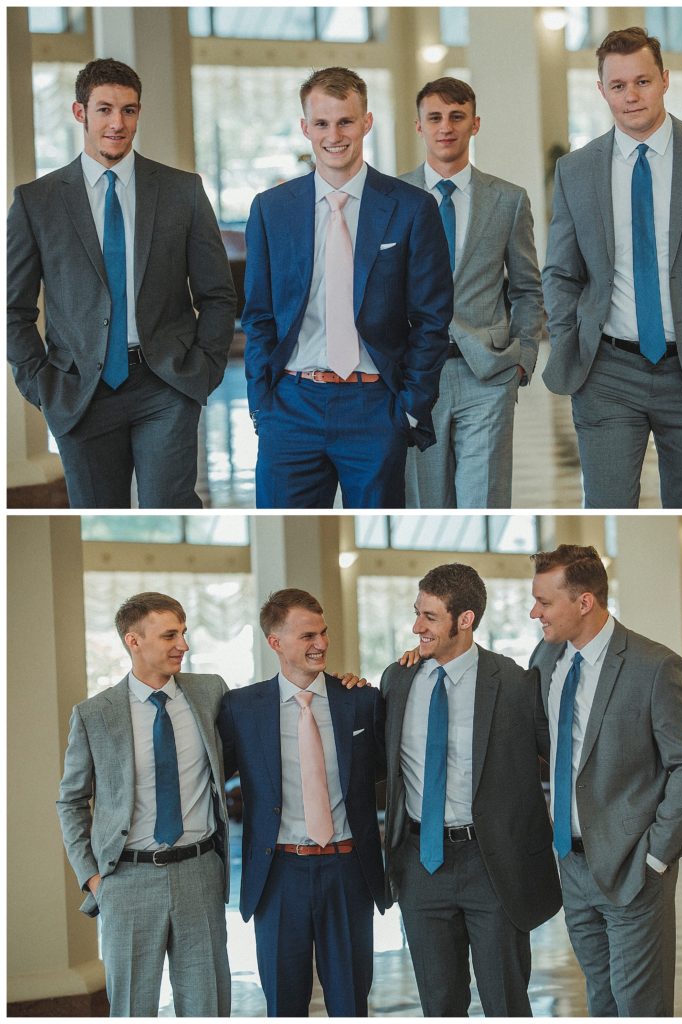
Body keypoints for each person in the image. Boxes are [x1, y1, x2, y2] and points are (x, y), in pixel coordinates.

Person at [542, 27, 682, 508]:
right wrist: (568, 339)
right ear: (601, 91)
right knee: (608, 504)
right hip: (607, 373)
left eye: (642, 81)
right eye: (618, 86)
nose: (631, 96)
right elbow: (560, 272)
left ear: (664, 79)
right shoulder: (576, 171)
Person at [7, 58, 236, 509]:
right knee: (94, 511)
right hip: (78, 391)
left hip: (165, 384)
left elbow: (217, 294)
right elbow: (15, 309)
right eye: (105, 109)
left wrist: (203, 371)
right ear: (80, 113)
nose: (118, 123)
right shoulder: (37, 202)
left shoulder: (182, 191)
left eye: (129, 110)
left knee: (168, 507)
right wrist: (39, 384)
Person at [242, 66, 453, 509]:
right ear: (305, 127)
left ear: (366, 122)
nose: (333, 135)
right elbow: (259, 313)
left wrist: (409, 406)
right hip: (290, 406)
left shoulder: (413, 208)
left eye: (345, 121)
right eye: (321, 123)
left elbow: (432, 318)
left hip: (374, 405)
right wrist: (263, 402)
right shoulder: (270, 209)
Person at [528, 545, 682, 1016]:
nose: (535, 613)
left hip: (634, 867)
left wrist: (656, 855)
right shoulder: (546, 660)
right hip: (571, 866)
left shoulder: (654, 666)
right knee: (601, 1000)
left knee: (640, 1007)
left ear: (584, 602)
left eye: (545, 602)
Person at [381, 564, 561, 1016]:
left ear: (465, 620)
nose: (417, 626)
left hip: (493, 866)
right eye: (416, 614)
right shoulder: (397, 679)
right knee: (439, 1005)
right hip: (421, 866)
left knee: (505, 1002)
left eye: (429, 617)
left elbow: (562, 760)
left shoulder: (516, 683)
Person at [56, 593, 231, 1017]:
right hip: (127, 880)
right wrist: (94, 879)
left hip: (200, 872)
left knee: (208, 1005)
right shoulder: (94, 714)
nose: (183, 645)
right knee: (133, 1007)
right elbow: (72, 801)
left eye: (184, 633)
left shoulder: (211, 692)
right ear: (133, 641)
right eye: (170, 635)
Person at [216, 589, 386, 1016]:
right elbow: (211, 777)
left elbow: (386, 771)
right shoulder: (241, 708)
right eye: (308, 635)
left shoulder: (362, 700)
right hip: (278, 876)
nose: (322, 644)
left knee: (351, 1003)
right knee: (284, 1004)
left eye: (324, 632)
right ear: (275, 643)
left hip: (348, 870)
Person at [401, 78, 545, 508]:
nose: (446, 127)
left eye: (457, 116)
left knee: (483, 500)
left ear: (474, 124)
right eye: (435, 117)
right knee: (424, 507)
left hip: (487, 373)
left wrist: (522, 360)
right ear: (419, 126)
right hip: (414, 375)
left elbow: (527, 287)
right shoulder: (391, 197)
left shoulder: (508, 200)